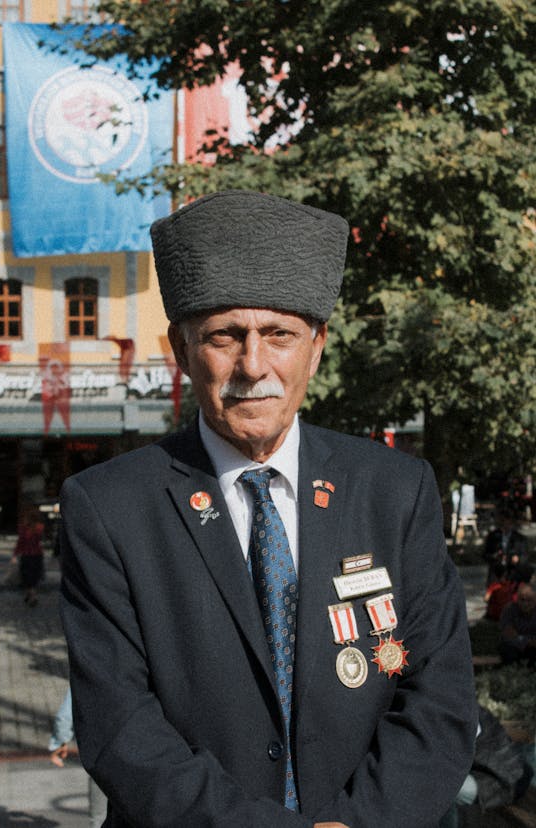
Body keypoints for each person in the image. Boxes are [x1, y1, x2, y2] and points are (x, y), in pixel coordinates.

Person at [60, 190, 477, 827]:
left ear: (316, 345)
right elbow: (120, 726)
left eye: (278, 334)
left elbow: (439, 700)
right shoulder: (109, 507)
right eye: (225, 336)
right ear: (180, 347)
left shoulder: (397, 490)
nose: (253, 366)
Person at [48, 687, 108, 828]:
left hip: (101, 756)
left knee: (99, 817)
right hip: (138, 752)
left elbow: (64, 716)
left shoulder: (89, 669)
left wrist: (60, 742)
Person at [483, 502, 528, 584]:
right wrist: (495, 556)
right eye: (502, 520)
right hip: (496, 575)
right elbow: (485, 555)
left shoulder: (520, 538)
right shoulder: (493, 536)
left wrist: (517, 559)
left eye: (507, 520)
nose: (504, 523)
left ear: (511, 521)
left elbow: (525, 557)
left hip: (513, 575)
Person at [11, 503, 44, 606]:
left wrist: (15, 555)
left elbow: (20, 542)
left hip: (27, 555)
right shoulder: (40, 527)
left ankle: (32, 596)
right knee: (34, 577)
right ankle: (30, 595)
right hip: (37, 554)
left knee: (27, 577)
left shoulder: (24, 528)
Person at [499, 581, 536, 665]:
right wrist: (528, 641)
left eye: (529, 600)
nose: (525, 604)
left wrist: (521, 638)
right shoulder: (509, 610)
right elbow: (508, 634)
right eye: (522, 600)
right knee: (507, 649)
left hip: (531, 648)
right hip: (513, 647)